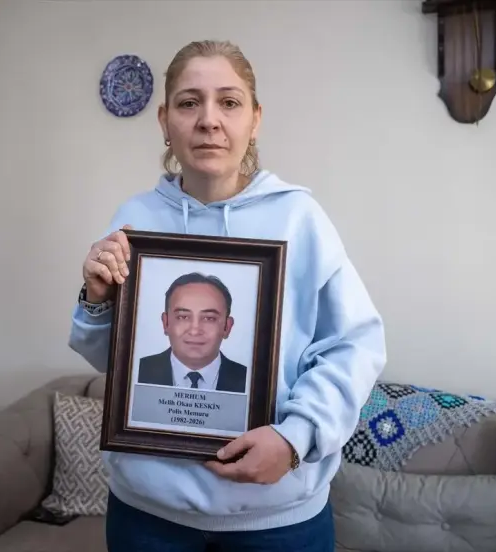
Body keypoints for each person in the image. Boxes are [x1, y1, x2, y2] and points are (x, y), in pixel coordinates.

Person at [69, 39, 386, 552]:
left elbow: (355, 346)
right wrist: (97, 299)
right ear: (165, 120)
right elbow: (115, 362)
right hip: (146, 517)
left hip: (278, 521)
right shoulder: (134, 220)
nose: (209, 120)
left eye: (229, 102)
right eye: (189, 102)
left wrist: (295, 438)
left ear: (255, 120)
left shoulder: (300, 219)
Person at [137, 272, 248, 393]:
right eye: (183, 317)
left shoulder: (250, 380)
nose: (195, 331)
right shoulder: (135, 371)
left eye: (209, 318)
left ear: (227, 327)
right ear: (166, 323)